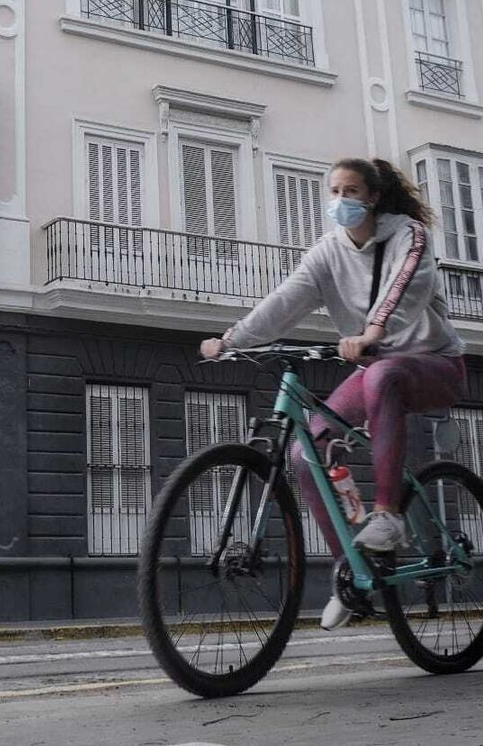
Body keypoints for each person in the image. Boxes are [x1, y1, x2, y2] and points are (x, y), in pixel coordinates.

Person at [199, 157, 465, 629]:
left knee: (382, 376)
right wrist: (232, 339)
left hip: (435, 365)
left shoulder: (409, 235)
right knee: (304, 454)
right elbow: (286, 300)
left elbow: (405, 287)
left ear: (374, 197)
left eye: (351, 191)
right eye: (335, 192)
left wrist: (373, 331)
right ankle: (352, 571)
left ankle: (387, 515)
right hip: (375, 365)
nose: (341, 200)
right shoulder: (327, 252)